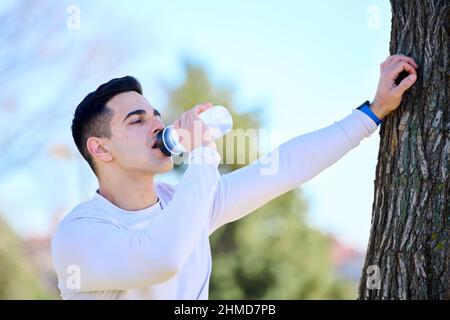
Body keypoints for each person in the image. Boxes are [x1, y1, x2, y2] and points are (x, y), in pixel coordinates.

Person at [51, 54, 418, 299]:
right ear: (100, 149)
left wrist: (373, 112)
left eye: (155, 114)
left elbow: (284, 168)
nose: (157, 125)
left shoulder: (184, 204)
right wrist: (203, 152)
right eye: (137, 120)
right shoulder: (78, 233)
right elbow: (162, 257)